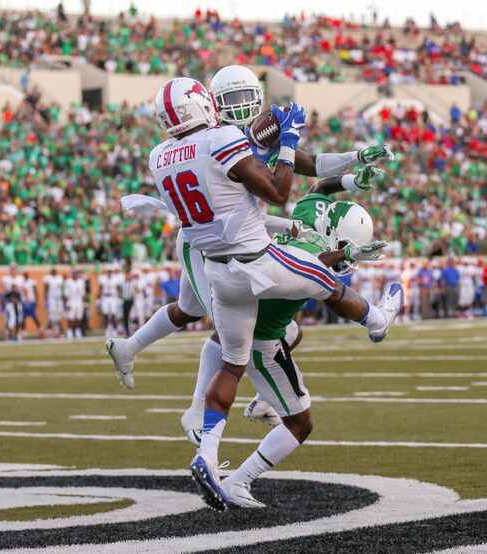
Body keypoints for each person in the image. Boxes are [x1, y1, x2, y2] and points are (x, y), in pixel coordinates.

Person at [112, 76, 401, 512]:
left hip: (219, 265)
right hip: (251, 259)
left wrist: (350, 160)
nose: (239, 107)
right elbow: (282, 190)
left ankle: (207, 453)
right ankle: (377, 322)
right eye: (227, 100)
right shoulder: (223, 138)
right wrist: (285, 141)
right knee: (324, 279)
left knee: (233, 359)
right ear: (205, 106)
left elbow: (304, 169)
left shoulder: (161, 154)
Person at [43, 267, 65, 337]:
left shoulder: (60, 278)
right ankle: (48, 330)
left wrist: (63, 298)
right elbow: (46, 289)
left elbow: (62, 289)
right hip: (51, 298)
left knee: (59, 315)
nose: (54, 272)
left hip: (59, 298)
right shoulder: (48, 278)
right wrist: (45, 300)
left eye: (55, 271)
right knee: (52, 315)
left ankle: (57, 331)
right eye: (53, 271)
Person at [22, 271, 40, 336]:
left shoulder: (31, 282)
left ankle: (39, 329)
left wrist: (37, 300)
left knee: (33, 316)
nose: (25, 275)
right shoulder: (22, 282)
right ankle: (23, 330)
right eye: (24, 274)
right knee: (23, 316)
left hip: (31, 301)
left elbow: (35, 290)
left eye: (26, 274)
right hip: (24, 301)